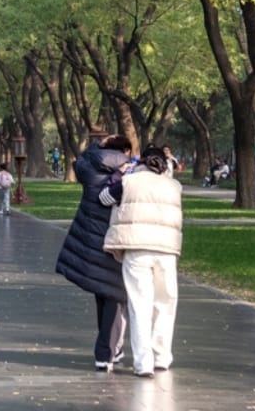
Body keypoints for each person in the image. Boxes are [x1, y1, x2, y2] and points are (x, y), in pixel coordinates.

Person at [55, 134, 133, 372]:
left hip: (90, 238)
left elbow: (82, 159)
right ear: (125, 150)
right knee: (114, 295)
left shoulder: (89, 168)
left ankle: (109, 349)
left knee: (103, 292)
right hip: (114, 238)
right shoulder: (127, 172)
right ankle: (106, 352)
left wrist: (98, 144)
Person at [103, 146, 183, 378]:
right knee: (165, 304)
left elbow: (104, 198)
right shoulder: (174, 185)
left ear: (141, 161)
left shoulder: (128, 182)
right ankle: (162, 357)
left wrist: (121, 174)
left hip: (137, 247)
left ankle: (143, 363)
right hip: (167, 248)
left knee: (140, 304)